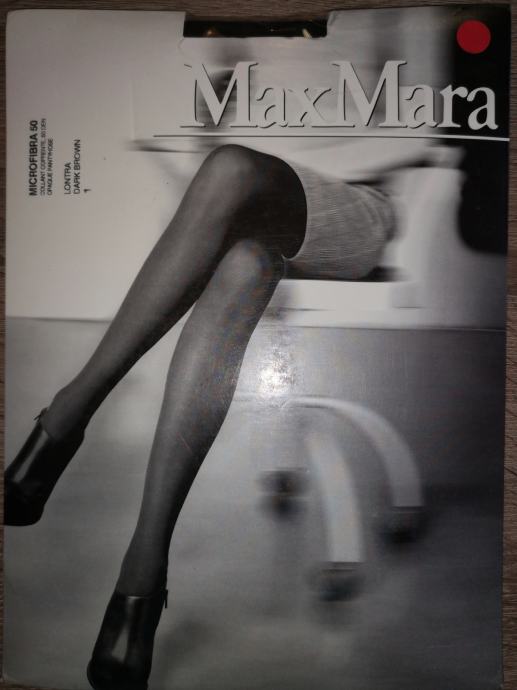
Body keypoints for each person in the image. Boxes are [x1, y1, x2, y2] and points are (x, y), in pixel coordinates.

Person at [4, 143, 396, 690]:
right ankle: (143, 577)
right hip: (258, 202)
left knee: (232, 168)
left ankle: (63, 420)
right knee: (245, 262)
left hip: (354, 206)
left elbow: (415, 138)